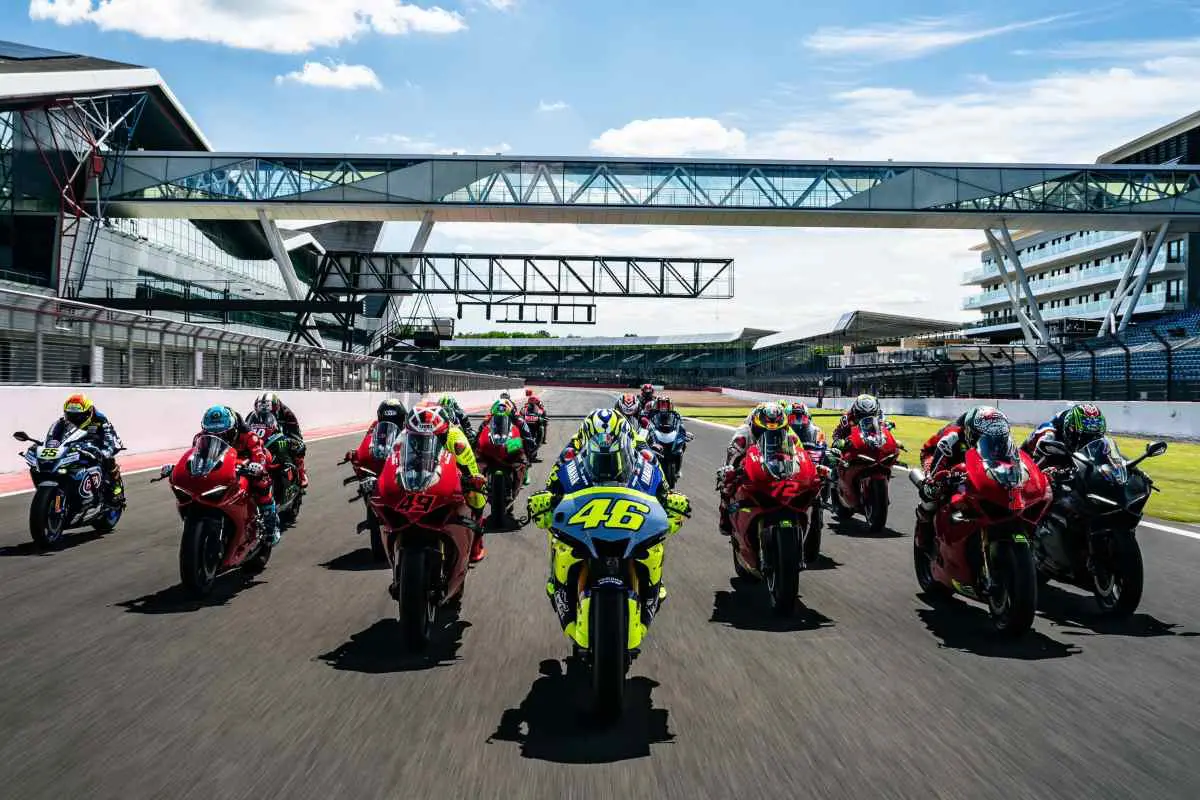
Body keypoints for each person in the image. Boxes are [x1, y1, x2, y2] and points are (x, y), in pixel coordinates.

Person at [527, 420, 691, 630]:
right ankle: (557, 579)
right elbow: (552, 486)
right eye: (598, 434)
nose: (605, 439)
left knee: (654, 546)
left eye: (611, 434)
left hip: (628, 514)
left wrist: (671, 501)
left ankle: (652, 587)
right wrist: (546, 500)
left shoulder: (643, 454)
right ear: (586, 435)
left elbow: (663, 489)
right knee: (556, 535)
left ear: (624, 436)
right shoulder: (570, 454)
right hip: (584, 514)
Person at [914, 406, 1014, 554]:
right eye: (985, 437)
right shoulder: (952, 436)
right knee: (933, 491)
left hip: (971, 458)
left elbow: (1014, 459)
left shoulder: (1001, 437)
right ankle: (923, 533)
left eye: (996, 436)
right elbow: (937, 465)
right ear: (971, 434)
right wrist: (934, 479)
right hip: (937, 455)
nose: (992, 440)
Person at [404, 406, 489, 563]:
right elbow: (392, 460)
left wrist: (472, 481)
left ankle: (476, 543)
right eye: (418, 436)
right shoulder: (404, 437)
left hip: (450, 479)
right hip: (416, 479)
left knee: (477, 498)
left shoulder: (457, 440)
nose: (425, 440)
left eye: (436, 436)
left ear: (444, 431)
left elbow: (471, 469)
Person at [716, 402, 800, 535]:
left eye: (776, 431)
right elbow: (731, 459)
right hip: (748, 467)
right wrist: (730, 470)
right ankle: (725, 516)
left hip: (776, 468)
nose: (771, 435)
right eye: (764, 431)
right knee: (727, 483)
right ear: (756, 426)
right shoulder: (743, 436)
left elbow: (798, 453)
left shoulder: (788, 435)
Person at [199, 405, 279, 545]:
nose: (219, 436)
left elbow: (259, 454)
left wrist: (257, 466)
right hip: (222, 461)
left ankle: (270, 522)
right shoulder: (202, 436)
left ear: (233, 428)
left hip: (247, 460)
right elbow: (196, 453)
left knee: (262, 481)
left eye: (224, 433)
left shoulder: (249, 435)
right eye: (213, 433)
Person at [53, 393, 125, 506]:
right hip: (75, 445)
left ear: (88, 412)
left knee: (108, 458)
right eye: (70, 415)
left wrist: (105, 451)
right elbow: (54, 437)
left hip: (98, 443)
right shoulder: (62, 422)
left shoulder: (100, 419)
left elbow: (110, 437)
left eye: (77, 416)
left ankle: (116, 489)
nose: (73, 419)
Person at [1021, 403, 1107, 469]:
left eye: (1094, 437)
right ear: (1071, 429)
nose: (1088, 441)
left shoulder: (1099, 438)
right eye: (1085, 437)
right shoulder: (1050, 431)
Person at [253, 392, 307, 489]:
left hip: (285, 434)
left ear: (276, 407)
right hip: (266, 437)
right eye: (262, 409)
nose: (266, 412)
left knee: (299, 447)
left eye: (270, 410)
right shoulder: (254, 415)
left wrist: (291, 441)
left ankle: (302, 473)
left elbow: (295, 432)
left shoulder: (287, 413)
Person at [475, 399, 532, 486]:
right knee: (478, 453)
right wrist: (476, 443)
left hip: (511, 443)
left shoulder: (519, 420)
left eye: (504, 410)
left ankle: (526, 471)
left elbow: (527, 435)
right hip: (494, 443)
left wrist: (527, 441)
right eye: (498, 412)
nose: (501, 412)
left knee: (524, 451)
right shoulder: (488, 419)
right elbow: (479, 434)